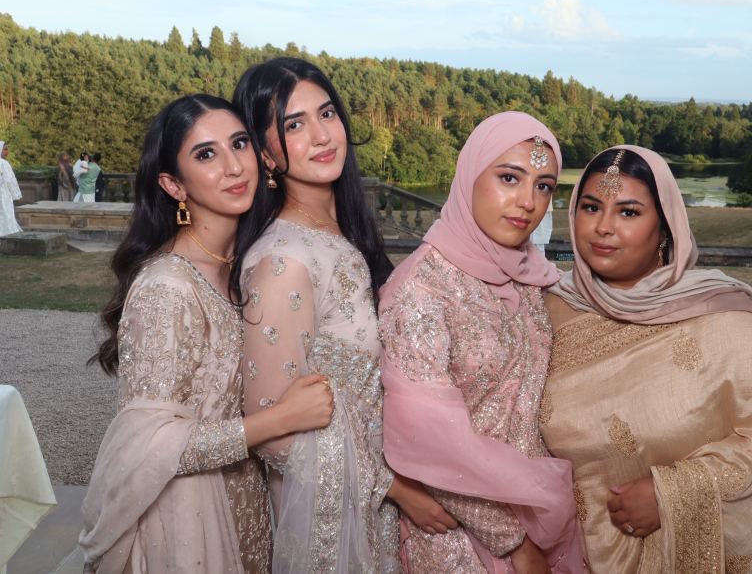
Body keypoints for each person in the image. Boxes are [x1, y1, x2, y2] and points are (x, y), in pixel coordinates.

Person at [542, 145, 752, 572]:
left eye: (628, 212)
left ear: (665, 227)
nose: (603, 227)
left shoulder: (726, 317)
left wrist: (670, 495)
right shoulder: (546, 308)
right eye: (591, 207)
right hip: (562, 550)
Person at [80, 94, 336, 573]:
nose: (234, 166)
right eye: (206, 154)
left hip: (245, 506)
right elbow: (151, 448)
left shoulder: (241, 265)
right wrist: (281, 419)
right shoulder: (167, 287)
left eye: (239, 144)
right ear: (173, 185)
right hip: (186, 523)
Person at [233, 57, 444, 572]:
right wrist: (394, 487)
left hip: (380, 505)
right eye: (294, 125)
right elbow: (271, 433)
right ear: (265, 153)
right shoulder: (283, 261)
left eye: (326, 114)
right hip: (335, 525)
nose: (322, 135)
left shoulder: (343, 231)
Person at [379, 111, 586, 574]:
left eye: (544, 186)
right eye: (509, 178)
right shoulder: (421, 288)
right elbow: (429, 441)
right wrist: (514, 541)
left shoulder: (530, 275)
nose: (528, 202)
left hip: (541, 513)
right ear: (469, 175)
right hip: (459, 534)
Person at [0, 140, 23, 236]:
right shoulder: (4, 163)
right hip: (3, 194)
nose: (7, 152)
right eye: (5, 149)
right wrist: (16, 195)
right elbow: (10, 180)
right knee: (5, 213)